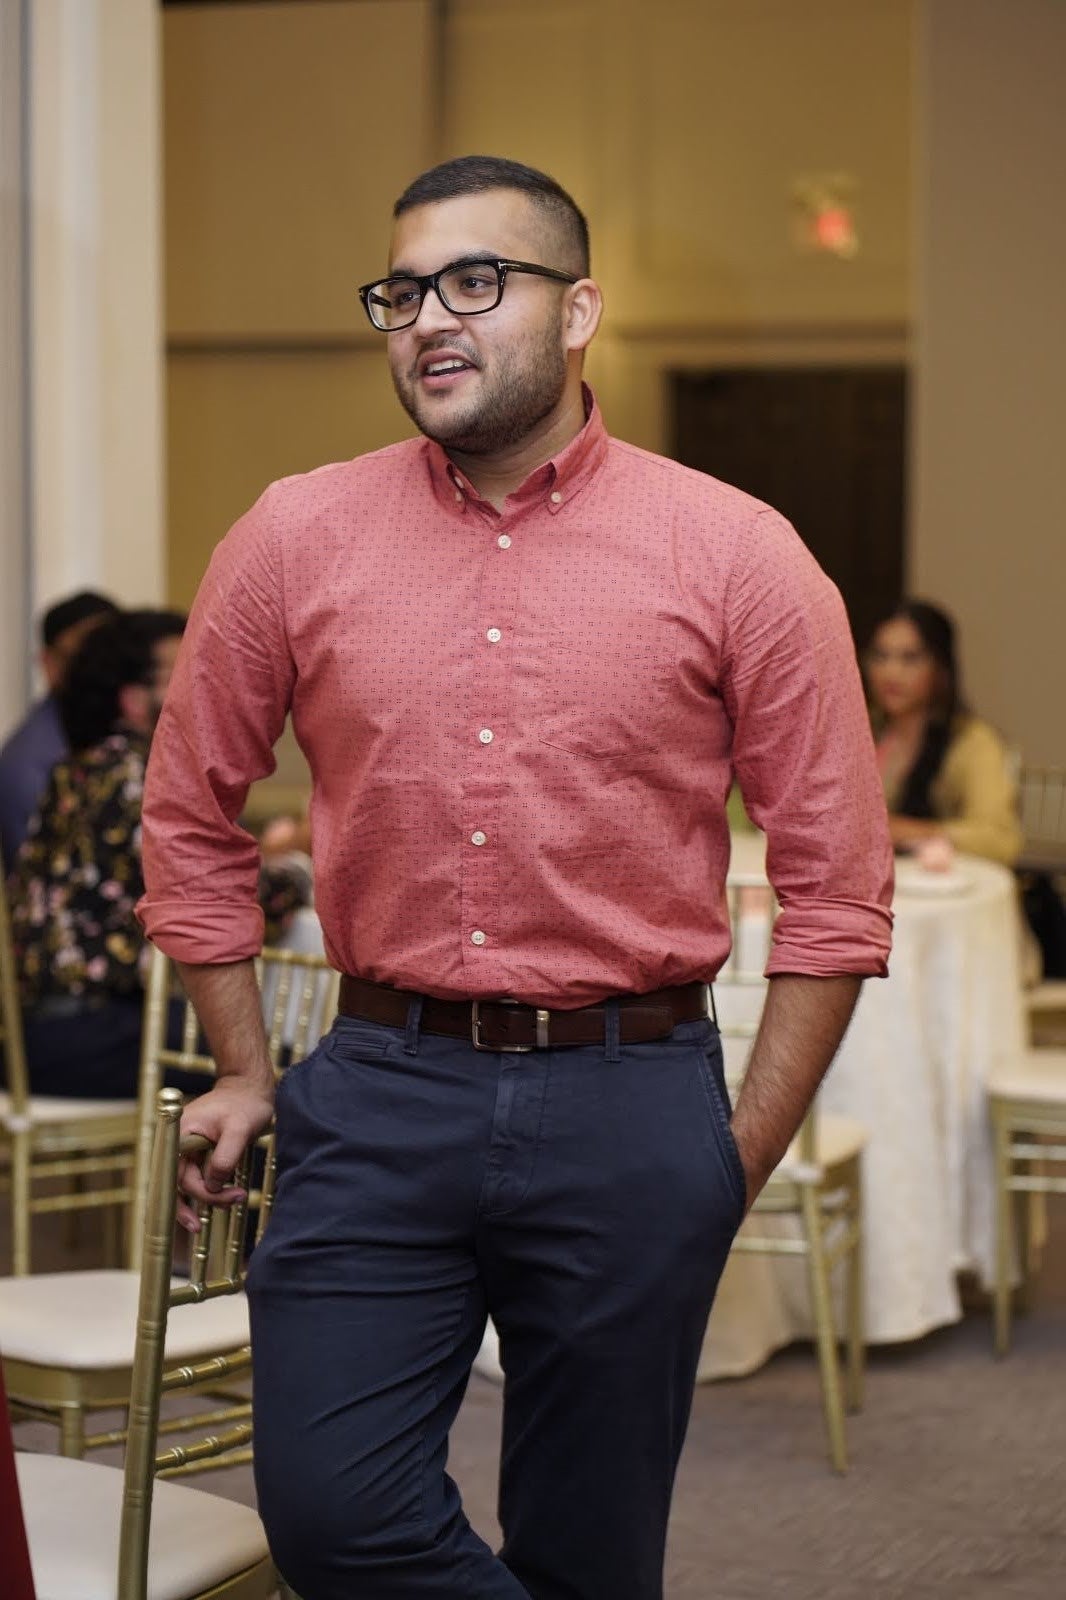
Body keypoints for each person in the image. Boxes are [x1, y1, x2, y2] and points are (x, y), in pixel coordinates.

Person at [139, 156, 893, 1600]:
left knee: (589, 1551)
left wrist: (723, 1161)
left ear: (581, 307)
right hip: (375, 1087)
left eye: (476, 283)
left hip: (633, 1091)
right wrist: (240, 1071)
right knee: (333, 1519)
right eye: (401, 291)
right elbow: (189, 818)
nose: (429, 318)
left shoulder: (738, 553)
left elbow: (836, 890)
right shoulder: (293, 534)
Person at [7, 609, 307, 1100]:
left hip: (34, 1036)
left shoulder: (79, 769)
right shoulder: (138, 777)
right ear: (132, 698)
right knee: (300, 1075)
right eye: (182, 673)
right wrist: (298, 865)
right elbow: (222, 895)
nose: (202, 688)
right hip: (89, 1035)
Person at [865, 599, 1022, 866]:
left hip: (946, 893)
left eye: (910, 658)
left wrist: (911, 831)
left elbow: (1001, 839)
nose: (891, 672)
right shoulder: (866, 730)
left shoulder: (974, 742)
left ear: (940, 668)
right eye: (881, 656)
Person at [0, 590, 118, 871]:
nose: (103, 671)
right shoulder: (30, 763)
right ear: (50, 663)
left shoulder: (132, 733)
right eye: (85, 656)